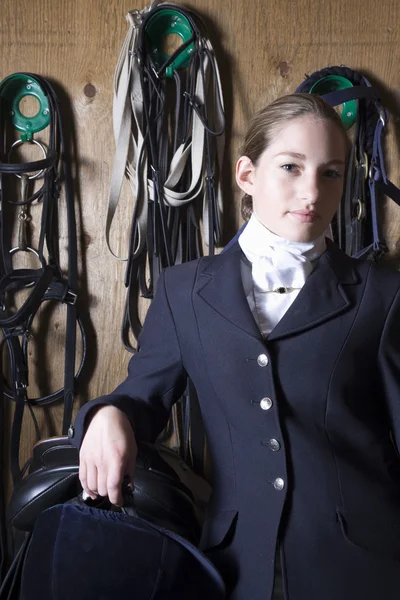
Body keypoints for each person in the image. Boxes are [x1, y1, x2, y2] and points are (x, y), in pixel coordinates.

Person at [70, 93, 400, 600]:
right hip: (237, 566)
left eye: (331, 173)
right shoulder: (184, 291)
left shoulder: (383, 293)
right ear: (247, 175)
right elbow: (142, 398)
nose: (311, 190)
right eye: (290, 166)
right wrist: (107, 416)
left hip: (364, 567)